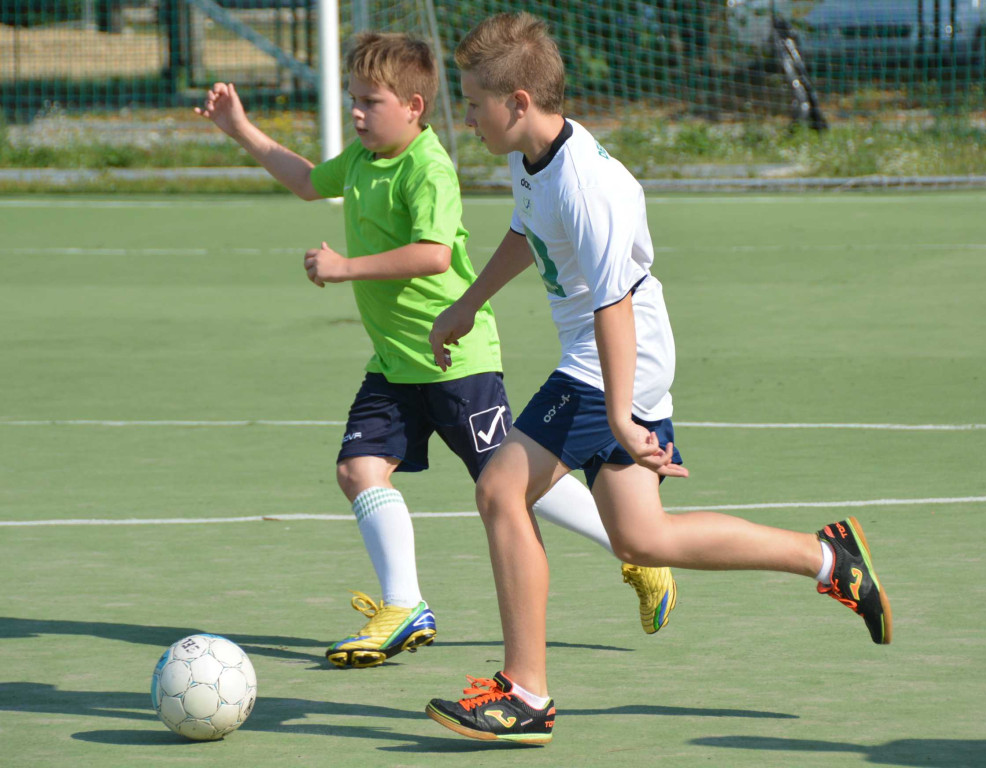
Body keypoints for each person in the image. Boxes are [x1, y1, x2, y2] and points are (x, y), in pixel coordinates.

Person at [425, 12, 892, 743]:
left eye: (474, 101)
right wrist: (465, 305)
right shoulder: (529, 157)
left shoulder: (587, 185)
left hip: (616, 356)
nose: (469, 116)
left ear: (518, 101)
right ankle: (829, 558)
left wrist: (618, 417)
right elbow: (526, 232)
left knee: (499, 489)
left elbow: (613, 305)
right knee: (642, 538)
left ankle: (525, 694)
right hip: (609, 356)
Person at [194, 31, 678, 669]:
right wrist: (241, 130)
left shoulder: (428, 166)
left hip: (458, 365)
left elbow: (435, 254)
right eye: (353, 100)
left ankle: (636, 556)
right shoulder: (365, 162)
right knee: (357, 469)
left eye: (370, 101)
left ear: (415, 106)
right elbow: (310, 182)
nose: (358, 113)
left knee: (508, 482)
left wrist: (349, 269)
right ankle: (405, 606)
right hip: (398, 359)